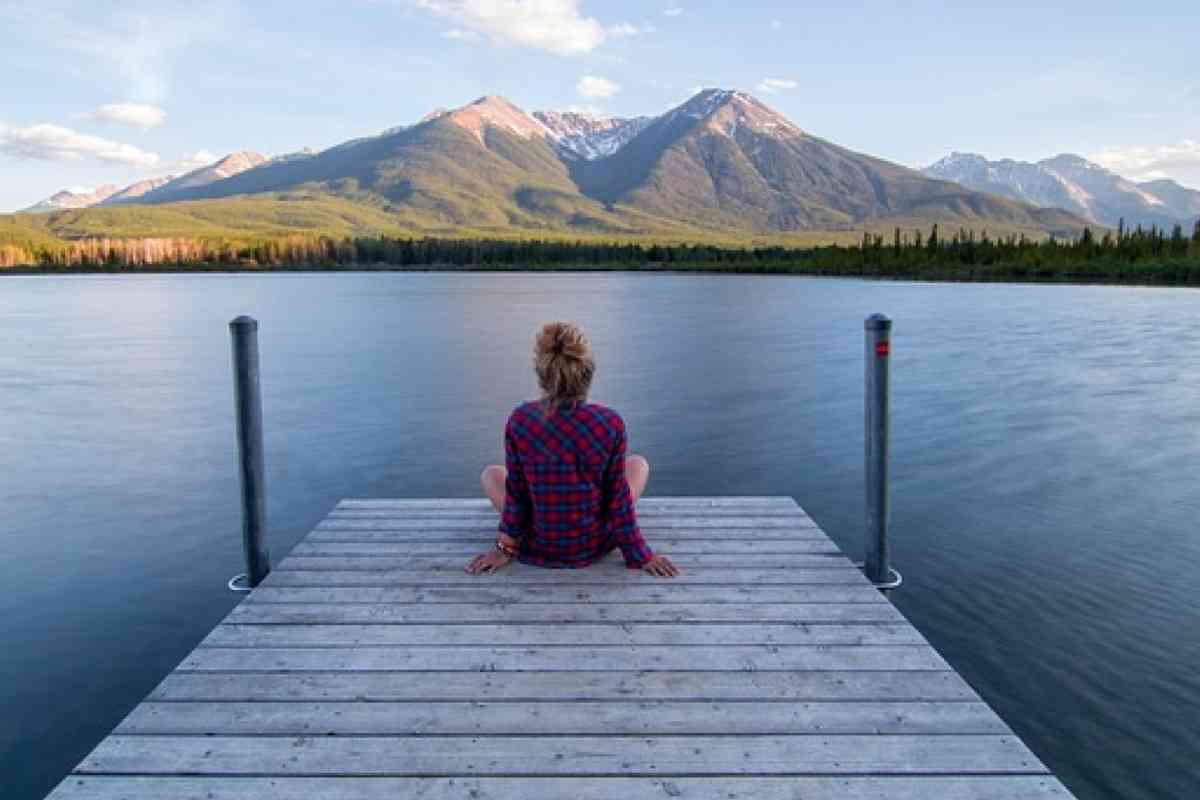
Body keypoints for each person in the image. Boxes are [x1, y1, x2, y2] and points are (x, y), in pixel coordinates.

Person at [466, 322, 678, 578]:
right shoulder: (609, 423)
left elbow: (517, 495)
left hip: (538, 541)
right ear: (588, 372)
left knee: (491, 474)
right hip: (592, 543)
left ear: (542, 374)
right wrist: (640, 554)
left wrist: (504, 548)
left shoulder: (521, 420)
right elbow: (618, 499)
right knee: (638, 465)